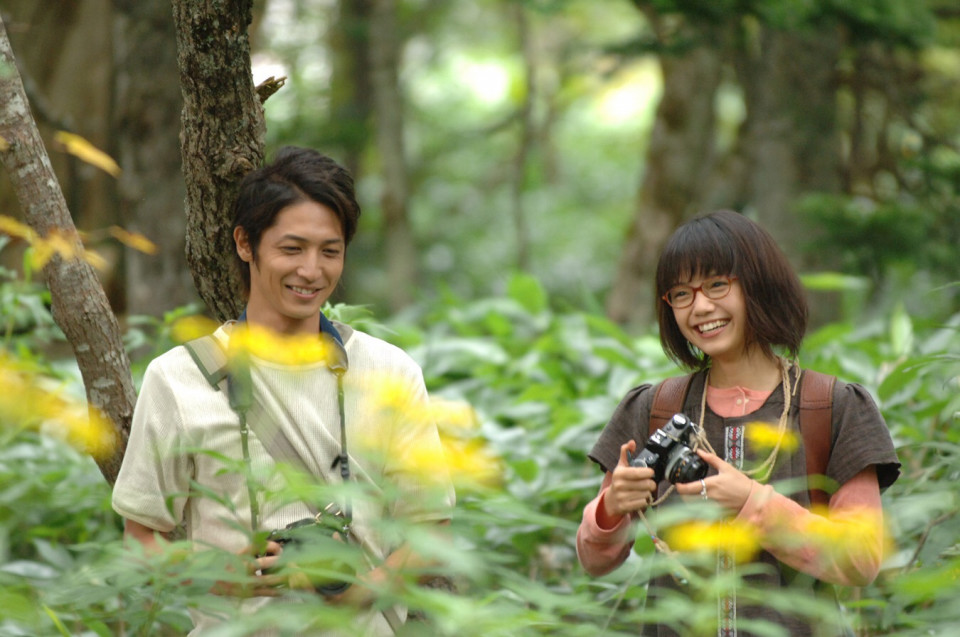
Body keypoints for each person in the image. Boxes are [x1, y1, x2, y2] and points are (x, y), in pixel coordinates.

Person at [112, 146, 455, 636]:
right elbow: (141, 536)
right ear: (245, 244)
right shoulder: (179, 378)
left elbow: (429, 526)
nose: (312, 271)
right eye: (292, 249)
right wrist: (219, 576)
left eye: (329, 251)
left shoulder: (390, 372)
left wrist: (368, 587)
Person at [577, 210, 900, 636]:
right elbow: (595, 561)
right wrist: (611, 507)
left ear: (758, 284)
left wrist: (750, 500)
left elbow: (859, 561)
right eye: (681, 294)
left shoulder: (833, 406)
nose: (701, 307)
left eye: (716, 284)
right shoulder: (654, 408)